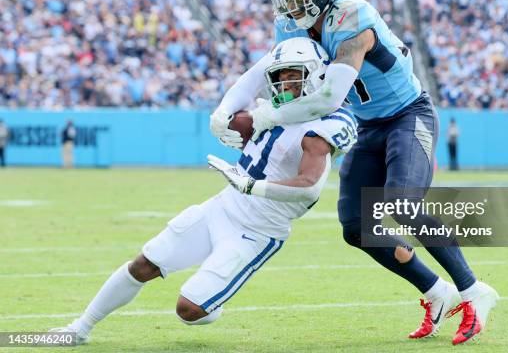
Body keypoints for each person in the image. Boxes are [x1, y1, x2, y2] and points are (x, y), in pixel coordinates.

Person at [210, 0, 497, 345]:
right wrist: (223, 110)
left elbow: (329, 97)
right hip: (367, 125)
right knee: (356, 226)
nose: (290, 8)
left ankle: (472, 289)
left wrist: (262, 118)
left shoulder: (352, 18)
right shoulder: (294, 23)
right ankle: (437, 293)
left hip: (406, 115)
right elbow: (266, 69)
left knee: (402, 203)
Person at [50, 38, 357, 344]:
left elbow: (309, 188)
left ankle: (212, 300)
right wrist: (227, 123)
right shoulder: (271, 111)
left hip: (258, 230)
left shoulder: (323, 126)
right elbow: (247, 98)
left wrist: (253, 185)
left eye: (292, 75)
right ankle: (79, 328)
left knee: (189, 309)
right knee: (144, 263)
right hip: (222, 207)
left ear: (317, 75)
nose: (283, 84)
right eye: (279, 77)